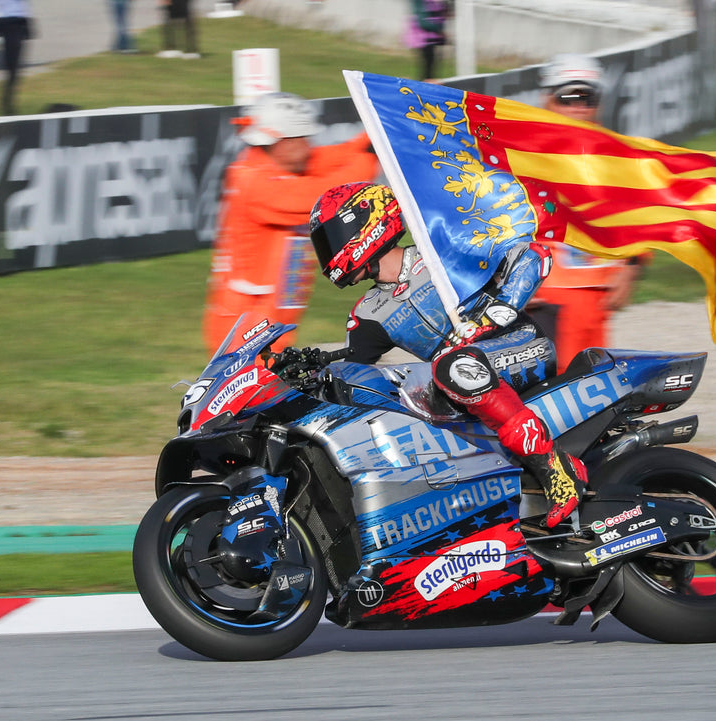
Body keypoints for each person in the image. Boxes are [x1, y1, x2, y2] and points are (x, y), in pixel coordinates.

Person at [309, 182, 588, 529]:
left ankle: (557, 470)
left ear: (367, 225)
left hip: (520, 345)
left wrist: (490, 317)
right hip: (460, 379)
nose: (328, 251)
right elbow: (352, 370)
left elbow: (532, 256)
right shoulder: (367, 313)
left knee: (451, 366)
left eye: (332, 237)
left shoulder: (441, 252)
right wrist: (307, 373)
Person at [202, 92, 380, 353]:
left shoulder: (278, 166)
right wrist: (374, 154)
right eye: (302, 137)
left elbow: (341, 154)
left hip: (266, 322)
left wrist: (382, 125)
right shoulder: (254, 183)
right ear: (279, 141)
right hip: (243, 330)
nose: (309, 145)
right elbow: (328, 194)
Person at [527, 53, 647, 373]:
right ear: (547, 100)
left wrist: (632, 267)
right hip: (549, 298)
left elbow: (641, 218)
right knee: (554, 394)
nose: (578, 107)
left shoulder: (618, 157)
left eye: (587, 98)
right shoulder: (522, 154)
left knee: (593, 391)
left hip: (598, 299)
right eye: (568, 97)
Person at [0, 0, 32, 115]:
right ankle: (6, 104)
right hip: (11, 21)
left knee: (15, 68)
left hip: (18, 20)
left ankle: (8, 102)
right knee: (12, 67)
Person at [404, 0, 449, 82]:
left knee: (432, 65)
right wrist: (438, 30)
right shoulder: (420, 3)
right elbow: (423, 22)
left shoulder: (434, 3)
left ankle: (426, 84)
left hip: (434, 38)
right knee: (428, 66)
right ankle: (423, 86)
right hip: (423, 38)